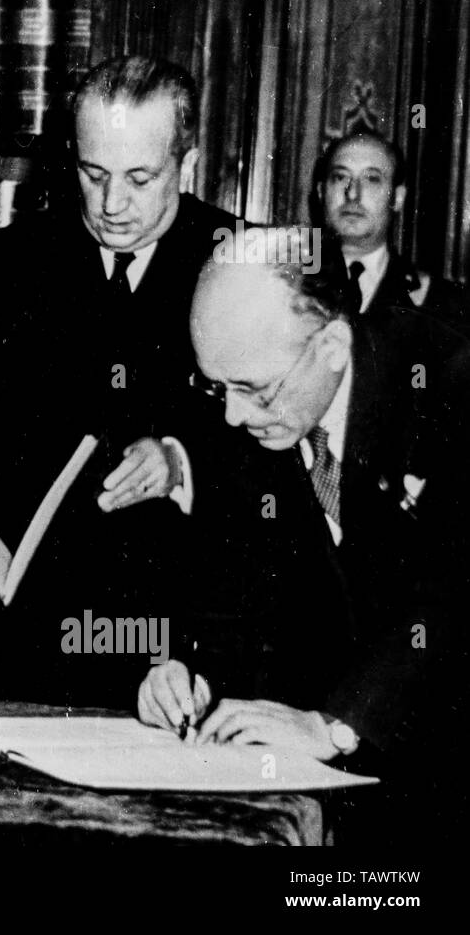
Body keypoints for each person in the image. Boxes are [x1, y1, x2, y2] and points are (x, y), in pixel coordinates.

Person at [0, 55, 239, 705]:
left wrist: (180, 462)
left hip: (170, 651)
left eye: (141, 178)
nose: (113, 204)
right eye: (94, 174)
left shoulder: (238, 259)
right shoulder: (11, 259)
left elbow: (286, 460)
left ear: (188, 164)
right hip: (19, 641)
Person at [138, 246, 469, 846]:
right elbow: (240, 588)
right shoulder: (254, 404)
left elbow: (450, 597)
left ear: (332, 347)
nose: (234, 416)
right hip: (336, 780)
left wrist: (339, 724)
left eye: (254, 390)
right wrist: (189, 672)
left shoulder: (452, 382)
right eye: (217, 390)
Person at [315, 128, 469, 331]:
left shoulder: (441, 302)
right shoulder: (285, 285)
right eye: (340, 177)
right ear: (321, 192)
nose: (352, 194)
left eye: (371, 179)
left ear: (397, 198)